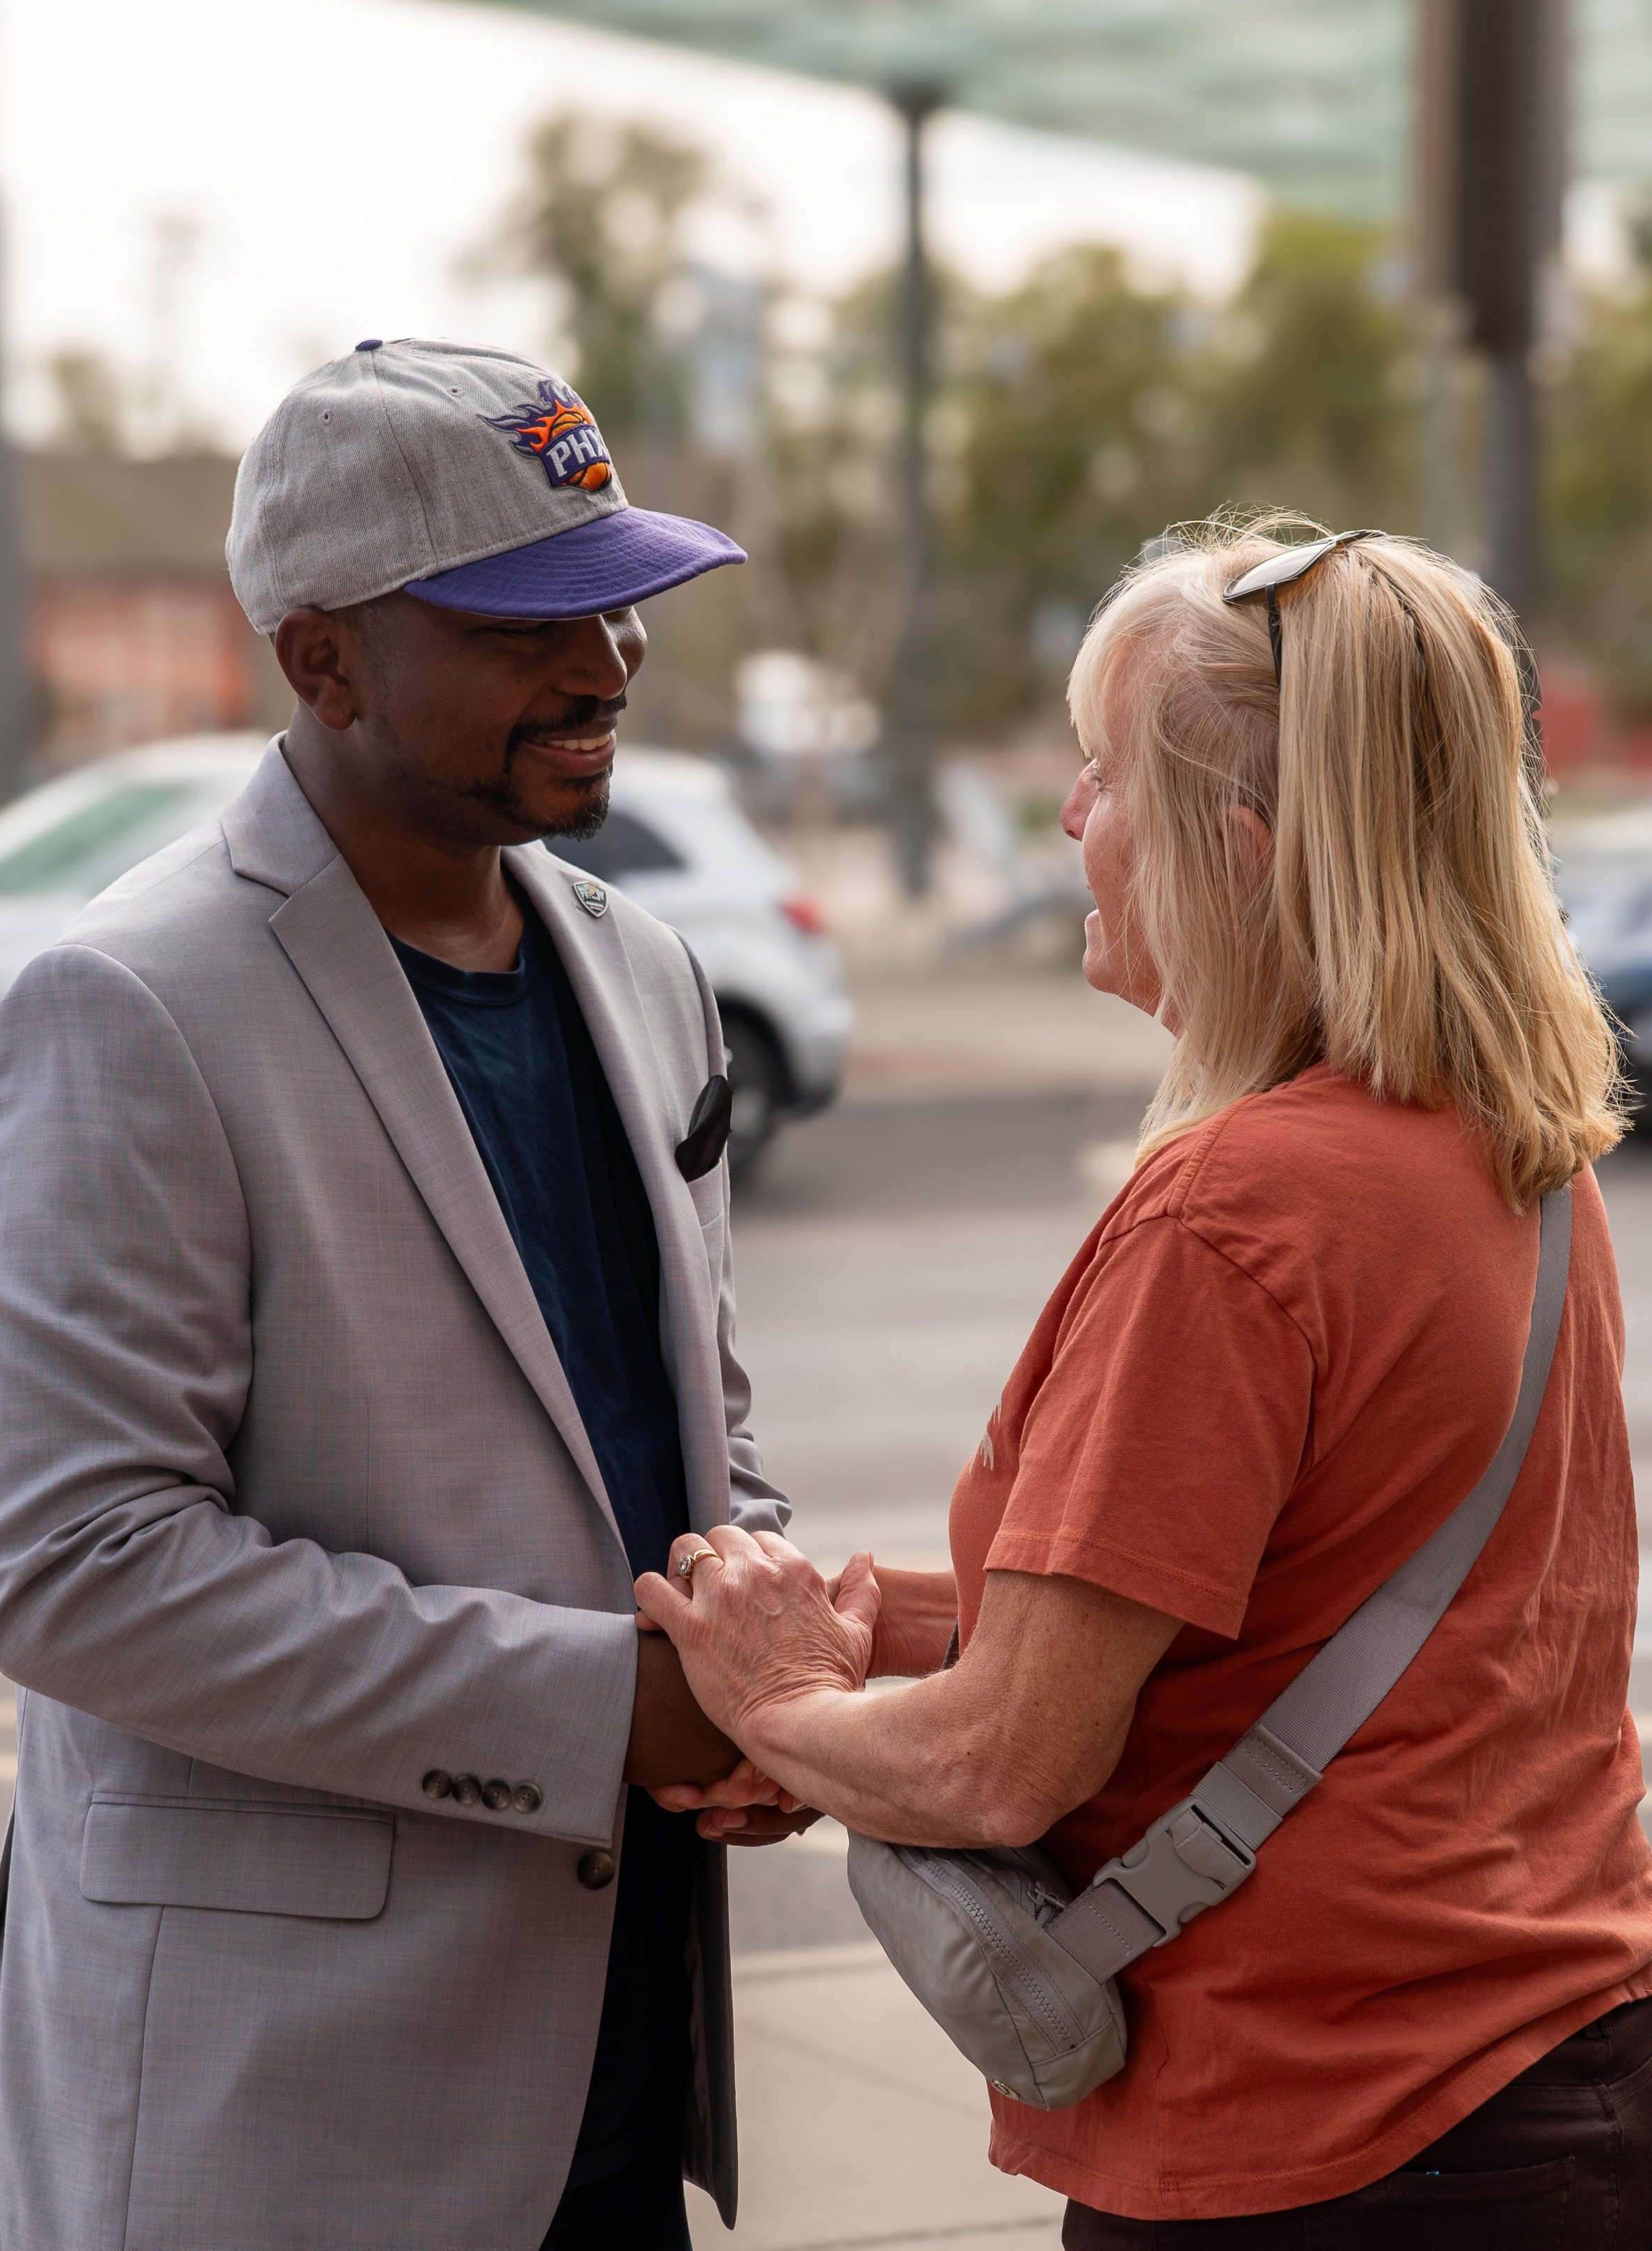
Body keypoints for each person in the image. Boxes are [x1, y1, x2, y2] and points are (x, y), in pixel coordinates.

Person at [641, 521, 1652, 2242]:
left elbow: (999, 1767)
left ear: (1235, 854)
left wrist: (778, 1714)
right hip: (1555, 2073)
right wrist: (851, 1616)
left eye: (1099, 774)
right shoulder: (1507, 1154)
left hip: (1328, 2139)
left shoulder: (1233, 1213)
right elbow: (1225, 1608)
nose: (1065, 819)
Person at [0, 339, 811, 2251]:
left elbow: (691, 1421)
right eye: (527, 621)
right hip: (282, 2125)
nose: (608, 663)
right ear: (318, 658)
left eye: (622, 597)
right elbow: (81, 1568)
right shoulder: (128, 1005)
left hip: (605, 2080)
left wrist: (755, 1674)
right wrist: (616, 1710)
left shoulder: (642, 965)